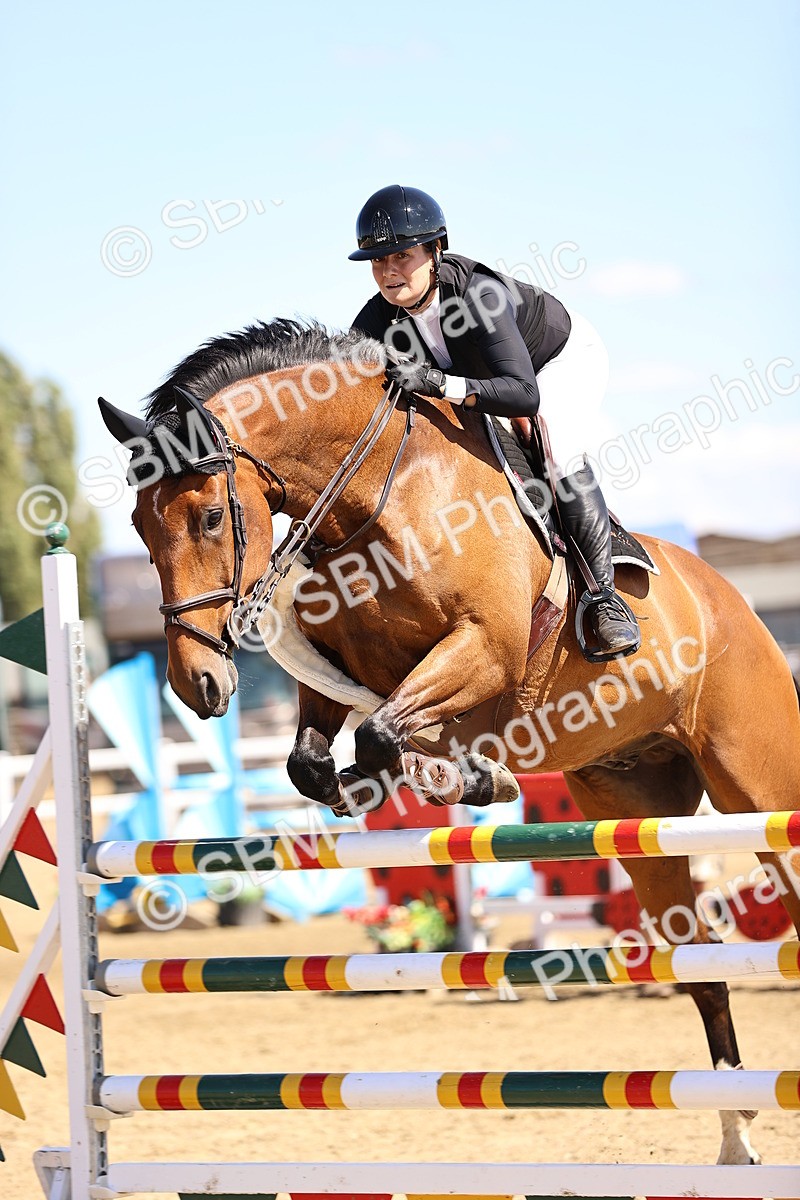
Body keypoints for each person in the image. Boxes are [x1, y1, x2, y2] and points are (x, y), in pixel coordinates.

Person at [349, 184, 640, 662]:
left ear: (434, 249)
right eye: (378, 262)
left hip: (556, 363)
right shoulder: (378, 317)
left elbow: (525, 394)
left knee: (556, 445)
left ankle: (603, 598)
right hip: (489, 380)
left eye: (401, 255)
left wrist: (440, 384)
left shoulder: (479, 295)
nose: (387, 271)